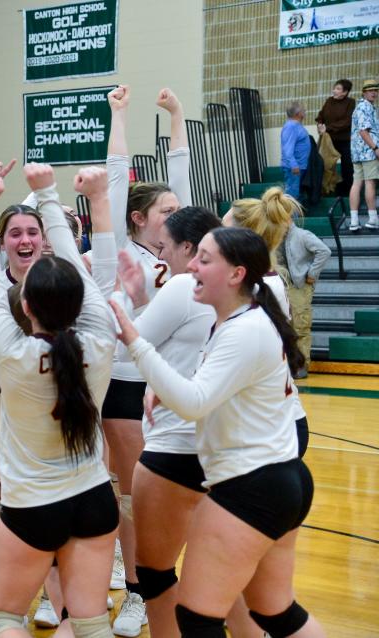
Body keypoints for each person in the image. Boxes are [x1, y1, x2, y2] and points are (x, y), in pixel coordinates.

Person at [110, 227, 325, 638]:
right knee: (275, 612)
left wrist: (137, 342)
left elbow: (194, 401)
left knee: (198, 617)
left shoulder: (245, 330)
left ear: (236, 274)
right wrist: (161, 379)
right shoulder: (243, 320)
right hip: (278, 480)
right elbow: (207, 383)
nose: (191, 266)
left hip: (253, 486)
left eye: (204, 259)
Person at [0, 162, 118, 638]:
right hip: (96, 497)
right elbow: (80, 270)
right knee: (89, 622)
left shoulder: (13, 355)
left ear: (27, 306)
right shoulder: (100, 342)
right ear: (81, 303)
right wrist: (49, 195)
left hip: (35, 507)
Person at [103, 85, 192, 638]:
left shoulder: (184, 250)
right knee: (126, 488)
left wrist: (179, 116)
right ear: (138, 218)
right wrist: (120, 115)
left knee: (139, 491)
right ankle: (134, 586)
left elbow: (181, 175)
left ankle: (136, 575)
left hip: (168, 382)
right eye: (166, 210)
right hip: (121, 379)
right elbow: (117, 175)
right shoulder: (123, 246)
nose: (177, 214)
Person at [113, 206, 221, 638]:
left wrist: (129, 298)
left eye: (166, 249)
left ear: (190, 249)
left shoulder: (183, 285)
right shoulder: (254, 288)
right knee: (215, 575)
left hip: (175, 443)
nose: (162, 259)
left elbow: (127, 347)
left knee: (156, 574)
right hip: (226, 446)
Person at [278, 221, 330, 379]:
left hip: (298, 287)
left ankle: (301, 365)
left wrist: (312, 274)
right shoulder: (274, 236)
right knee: (284, 327)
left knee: (300, 327)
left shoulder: (302, 235)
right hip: (281, 286)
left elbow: (324, 251)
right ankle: (287, 364)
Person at [315, 79, 356, 196]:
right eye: (335, 88)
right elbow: (320, 115)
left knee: (347, 165)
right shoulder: (329, 101)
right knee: (326, 165)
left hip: (345, 140)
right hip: (329, 140)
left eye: (338, 89)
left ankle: (348, 190)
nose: (334, 91)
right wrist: (320, 125)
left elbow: (347, 121)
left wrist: (328, 127)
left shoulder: (351, 102)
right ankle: (326, 189)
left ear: (345, 92)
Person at [349, 79, 379, 231]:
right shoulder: (364, 107)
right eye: (370, 90)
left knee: (357, 183)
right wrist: (375, 148)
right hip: (368, 152)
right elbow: (363, 131)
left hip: (358, 153)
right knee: (369, 183)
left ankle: (354, 220)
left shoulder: (364, 107)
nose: (374, 92)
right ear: (364, 92)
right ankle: (373, 218)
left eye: (376, 90)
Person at [280, 102, 311, 200]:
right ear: (298, 114)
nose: (305, 112)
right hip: (294, 168)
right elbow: (287, 149)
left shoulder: (296, 125)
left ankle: (297, 215)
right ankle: (292, 215)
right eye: (303, 110)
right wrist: (293, 165)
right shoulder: (291, 126)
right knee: (292, 195)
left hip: (300, 166)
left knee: (297, 194)